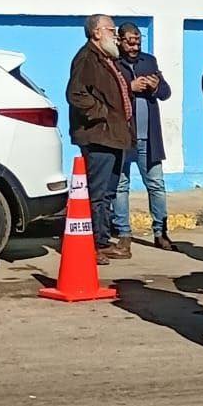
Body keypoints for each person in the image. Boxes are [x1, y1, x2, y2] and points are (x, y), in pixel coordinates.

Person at [67, 14, 134, 264]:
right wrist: (102, 113)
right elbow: (76, 94)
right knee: (97, 193)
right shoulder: (87, 58)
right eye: (110, 30)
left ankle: (103, 241)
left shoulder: (106, 59)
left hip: (114, 135)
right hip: (99, 136)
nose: (115, 36)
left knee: (108, 192)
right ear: (96, 33)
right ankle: (93, 243)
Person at [112, 23, 174, 254]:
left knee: (156, 185)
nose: (134, 46)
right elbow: (107, 94)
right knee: (121, 186)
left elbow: (166, 93)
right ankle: (123, 233)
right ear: (119, 41)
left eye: (137, 41)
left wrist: (156, 87)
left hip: (149, 138)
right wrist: (130, 87)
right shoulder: (113, 63)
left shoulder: (149, 62)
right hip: (123, 137)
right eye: (130, 42)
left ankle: (160, 232)